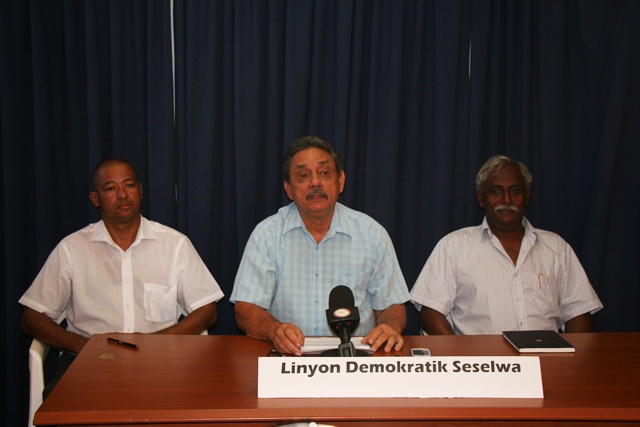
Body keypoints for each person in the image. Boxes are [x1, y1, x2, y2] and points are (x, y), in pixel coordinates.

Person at [20, 158, 224, 396]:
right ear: (95, 199)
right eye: (110, 188)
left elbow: (207, 311)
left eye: (129, 185)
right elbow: (32, 318)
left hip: (160, 359)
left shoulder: (174, 244)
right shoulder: (72, 249)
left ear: (140, 191)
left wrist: (154, 342)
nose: (122, 195)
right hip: (87, 361)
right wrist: (84, 345)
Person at [231, 136, 410, 356]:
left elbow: (392, 305)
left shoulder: (371, 233)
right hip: (288, 358)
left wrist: (390, 326)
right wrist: (274, 330)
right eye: (303, 175)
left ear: (340, 181)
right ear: (288, 188)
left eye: (324, 173)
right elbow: (246, 309)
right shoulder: (267, 234)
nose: (315, 183)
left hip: (355, 360)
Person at [410, 154, 603, 335]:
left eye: (515, 190)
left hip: (547, 362)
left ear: (526, 196)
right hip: (482, 366)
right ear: (481, 198)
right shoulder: (454, 246)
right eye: (496, 191)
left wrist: (572, 362)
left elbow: (579, 313)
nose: (507, 199)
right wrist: (461, 358)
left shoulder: (557, 248)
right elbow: (431, 313)